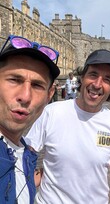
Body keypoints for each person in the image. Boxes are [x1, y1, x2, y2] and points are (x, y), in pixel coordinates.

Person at [25, 49, 110, 204]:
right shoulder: (51, 113)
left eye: (107, 79)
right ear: (82, 78)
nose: (97, 84)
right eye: (93, 74)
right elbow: (24, 162)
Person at [0, 34, 60, 204]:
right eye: (14, 80)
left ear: (49, 95)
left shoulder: (25, 151)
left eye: (37, 85)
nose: (25, 97)